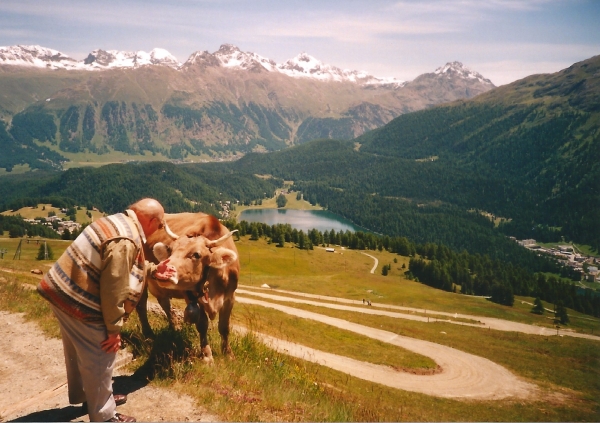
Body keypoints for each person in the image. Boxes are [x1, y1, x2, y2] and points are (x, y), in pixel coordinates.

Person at [37, 198, 176, 422]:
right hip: (82, 302)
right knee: (101, 354)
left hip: (62, 292)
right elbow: (114, 288)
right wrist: (113, 330)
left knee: (77, 351)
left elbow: (120, 263)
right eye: (160, 225)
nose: (159, 230)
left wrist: (152, 270)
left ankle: (90, 396)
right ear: (150, 221)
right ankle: (104, 415)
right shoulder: (127, 239)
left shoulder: (118, 222)